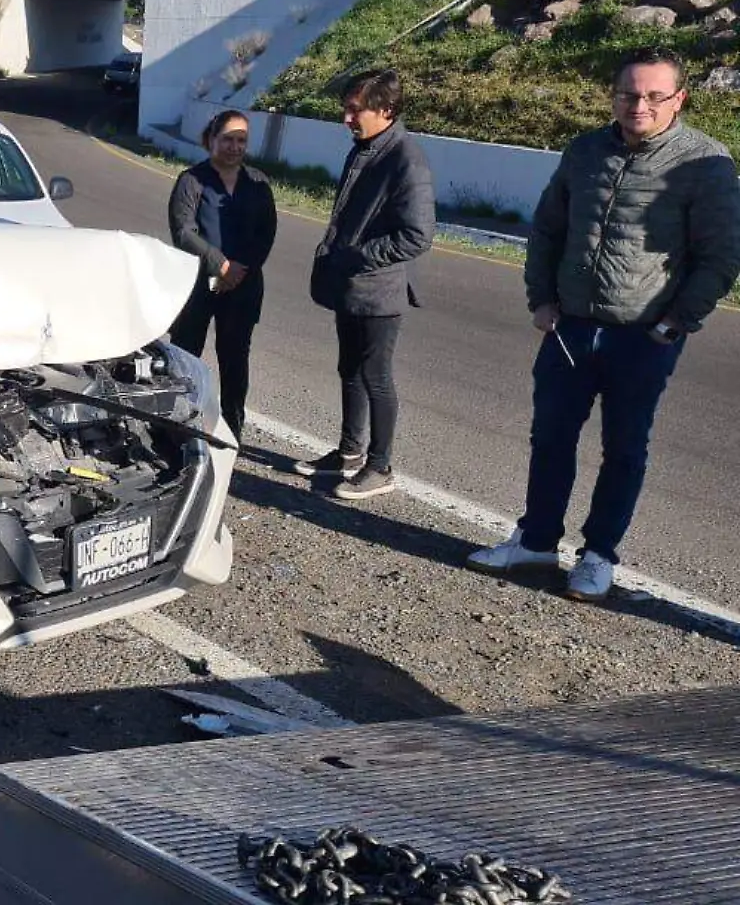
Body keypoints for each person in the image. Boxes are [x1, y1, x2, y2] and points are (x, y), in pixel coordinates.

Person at [467, 47, 740, 601]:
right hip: (569, 328)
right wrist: (541, 300)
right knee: (550, 438)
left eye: (653, 95)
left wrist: (675, 323)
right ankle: (537, 541)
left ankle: (598, 557)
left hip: (642, 336)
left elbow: (721, 256)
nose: (639, 104)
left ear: (678, 99)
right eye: (628, 94)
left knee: (624, 450)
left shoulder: (705, 164)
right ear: (613, 97)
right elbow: (548, 228)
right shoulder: (585, 150)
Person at [292, 69, 436, 501]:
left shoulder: (405, 158)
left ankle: (380, 466)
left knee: (375, 376)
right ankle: (349, 453)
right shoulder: (367, 148)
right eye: (346, 108)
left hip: (380, 291)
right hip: (351, 286)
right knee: (349, 370)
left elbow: (417, 235)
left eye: (356, 110)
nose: (346, 118)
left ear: (386, 111)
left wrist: (358, 255)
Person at [167, 109, 277, 439]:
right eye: (227, 139)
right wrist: (221, 265)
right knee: (185, 356)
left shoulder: (258, 183)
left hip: (243, 286)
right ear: (212, 140)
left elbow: (266, 233)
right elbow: (184, 232)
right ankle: (177, 426)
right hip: (198, 284)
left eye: (241, 140)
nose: (234, 146)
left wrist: (239, 270)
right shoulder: (192, 180)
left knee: (235, 360)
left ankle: (231, 429)